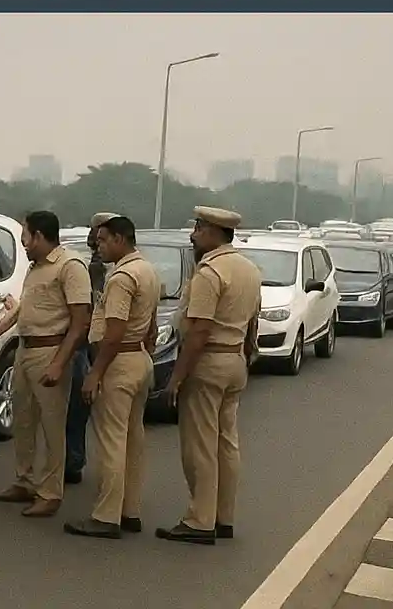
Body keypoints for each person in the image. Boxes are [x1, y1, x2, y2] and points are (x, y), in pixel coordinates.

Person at [155, 206, 262, 546]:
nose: (193, 234)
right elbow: (252, 323)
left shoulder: (210, 272)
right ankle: (223, 517)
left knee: (199, 445)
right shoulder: (248, 270)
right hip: (234, 361)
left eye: (199, 228)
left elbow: (199, 330)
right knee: (226, 442)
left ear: (215, 232)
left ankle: (200, 520)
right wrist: (247, 352)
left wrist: (176, 378)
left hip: (209, 361)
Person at [0, 210, 91, 518]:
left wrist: (59, 363)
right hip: (24, 352)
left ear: (40, 236)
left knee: (52, 425)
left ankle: (50, 491)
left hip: (50, 351)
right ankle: (25, 481)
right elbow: (24, 308)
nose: (24, 245)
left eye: (26, 238)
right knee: (24, 420)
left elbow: (79, 322)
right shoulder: (35, 268)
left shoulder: (70, 267)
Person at [64, 215, 161, 539]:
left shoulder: (121, 277)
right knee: (133, 440)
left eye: (103, 240)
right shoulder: (146, 269)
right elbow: (151, 325)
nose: (98, 245)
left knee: (112, 442)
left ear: (120, 239)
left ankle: (106, 516)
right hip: (139, 360)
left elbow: (114, 330)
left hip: (118, 361)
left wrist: (95, 373)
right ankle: (128, 509)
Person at [67, 210, 119, 483]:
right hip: (86, 342)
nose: (94, 238)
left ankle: (75, 462)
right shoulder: (88, 264)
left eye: (99, 232)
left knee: (83, 407)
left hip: (97, 344)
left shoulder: (112, 269)